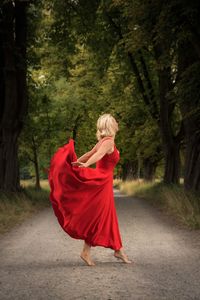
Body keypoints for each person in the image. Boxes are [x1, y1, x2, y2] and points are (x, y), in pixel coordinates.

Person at [48, 113, 132, 266]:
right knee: (99, 216)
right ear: (111, 126)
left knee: (106, 216)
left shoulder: (102, 141)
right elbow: (97, 155)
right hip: (102, 181)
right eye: (114, 123)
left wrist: (77, 162)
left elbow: (89, 154)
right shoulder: (107, 142)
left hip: (103, 182)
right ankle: (91, 251)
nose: (116, 125)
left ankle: (116, 249)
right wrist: (83, 164)